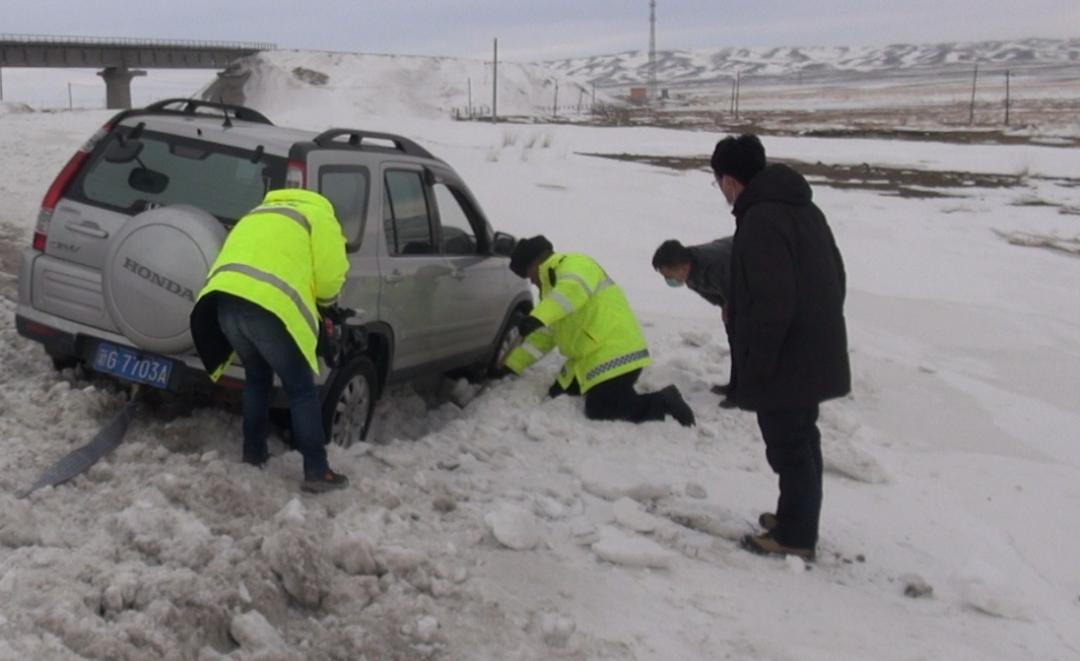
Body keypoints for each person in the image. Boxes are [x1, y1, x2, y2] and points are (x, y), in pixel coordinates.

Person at [711, 134, 850, 559]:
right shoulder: (802, 208)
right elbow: (837, 275)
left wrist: (760, 363)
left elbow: (772, 301)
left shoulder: (761, 220)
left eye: (717, 180)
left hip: (786, 358)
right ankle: (795, 518)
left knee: (789, 447)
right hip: (814, 347)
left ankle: (796, 536)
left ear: (731, 181)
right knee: (802, 441)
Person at [190, 188, 351, 493]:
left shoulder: (257, 213)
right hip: (269, 309)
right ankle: (317, 470)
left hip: (225, 304)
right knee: (301, 390)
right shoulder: (318, 216)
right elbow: (330, 277)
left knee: (257, 379)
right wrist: (327, 304)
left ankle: (253, 454)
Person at [502, 235, 695, 427]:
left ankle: (663, 401)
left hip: (616, 355)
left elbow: (572, 291)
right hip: (591, 358)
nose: (533, 283)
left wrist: (537, 317)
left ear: (534, 265)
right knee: (556, 394)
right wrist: (513, 364)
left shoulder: (573, 264)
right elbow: (546, 334)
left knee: (600, 408)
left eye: (530, 277)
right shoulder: (552, 291)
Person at [651, 237, 737, 408]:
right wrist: (726, 308)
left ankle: (746, 392)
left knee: (748, 341)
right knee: (736, 337)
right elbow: (718, 296)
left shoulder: (714, 265)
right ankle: (737, 385)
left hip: (761, 273)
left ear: (682, 267)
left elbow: (739, 292)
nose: (667, 279)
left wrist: (731, 308)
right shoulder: (689, 274)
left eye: (668, 274)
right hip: (735, 292)